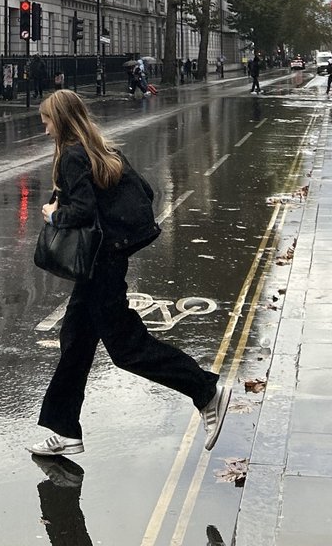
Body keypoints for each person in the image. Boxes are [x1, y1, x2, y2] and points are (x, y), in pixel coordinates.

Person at [28, 90, 231, 457]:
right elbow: (145, 190)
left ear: (60, 120)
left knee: (126, 348)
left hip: (100, 266)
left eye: (46, 121)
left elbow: (83, 212)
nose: (44, 129)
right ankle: (64, 429)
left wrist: (53, 215)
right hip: (106, 261)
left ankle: (206, 391)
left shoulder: (73, 156)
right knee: (74, 340)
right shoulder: (101, 150)